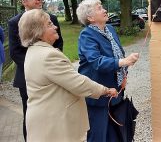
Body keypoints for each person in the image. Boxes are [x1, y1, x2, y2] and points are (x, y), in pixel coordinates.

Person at [18, 9, 118, 142]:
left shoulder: (34, 50)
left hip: (45, 122)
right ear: (38, 31)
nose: (55, 27)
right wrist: (105, 90)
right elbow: (78, 83)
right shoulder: (48, 56)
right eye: (49, 24)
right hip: (55, 126)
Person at [76, 0, 139, 142]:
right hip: (99, 95)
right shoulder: (86, 35)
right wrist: (123, 62)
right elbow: (97, 62)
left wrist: (124, 74)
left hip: (116, 92)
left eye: (102, 7)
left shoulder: (110, 29)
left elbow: (118, 54)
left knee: (115, 134)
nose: (105, 10)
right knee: (98, 135)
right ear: (90, 18)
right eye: (99, 8)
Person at [8, 0, 63, 141]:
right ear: (25, 1)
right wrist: (37, 68)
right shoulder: (15, 22)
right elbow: (15, 52)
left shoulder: (51, 18)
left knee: (54, 115)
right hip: (27, 79)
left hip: (53, 77)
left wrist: (53, 68)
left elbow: (59, 45)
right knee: (31, 118)